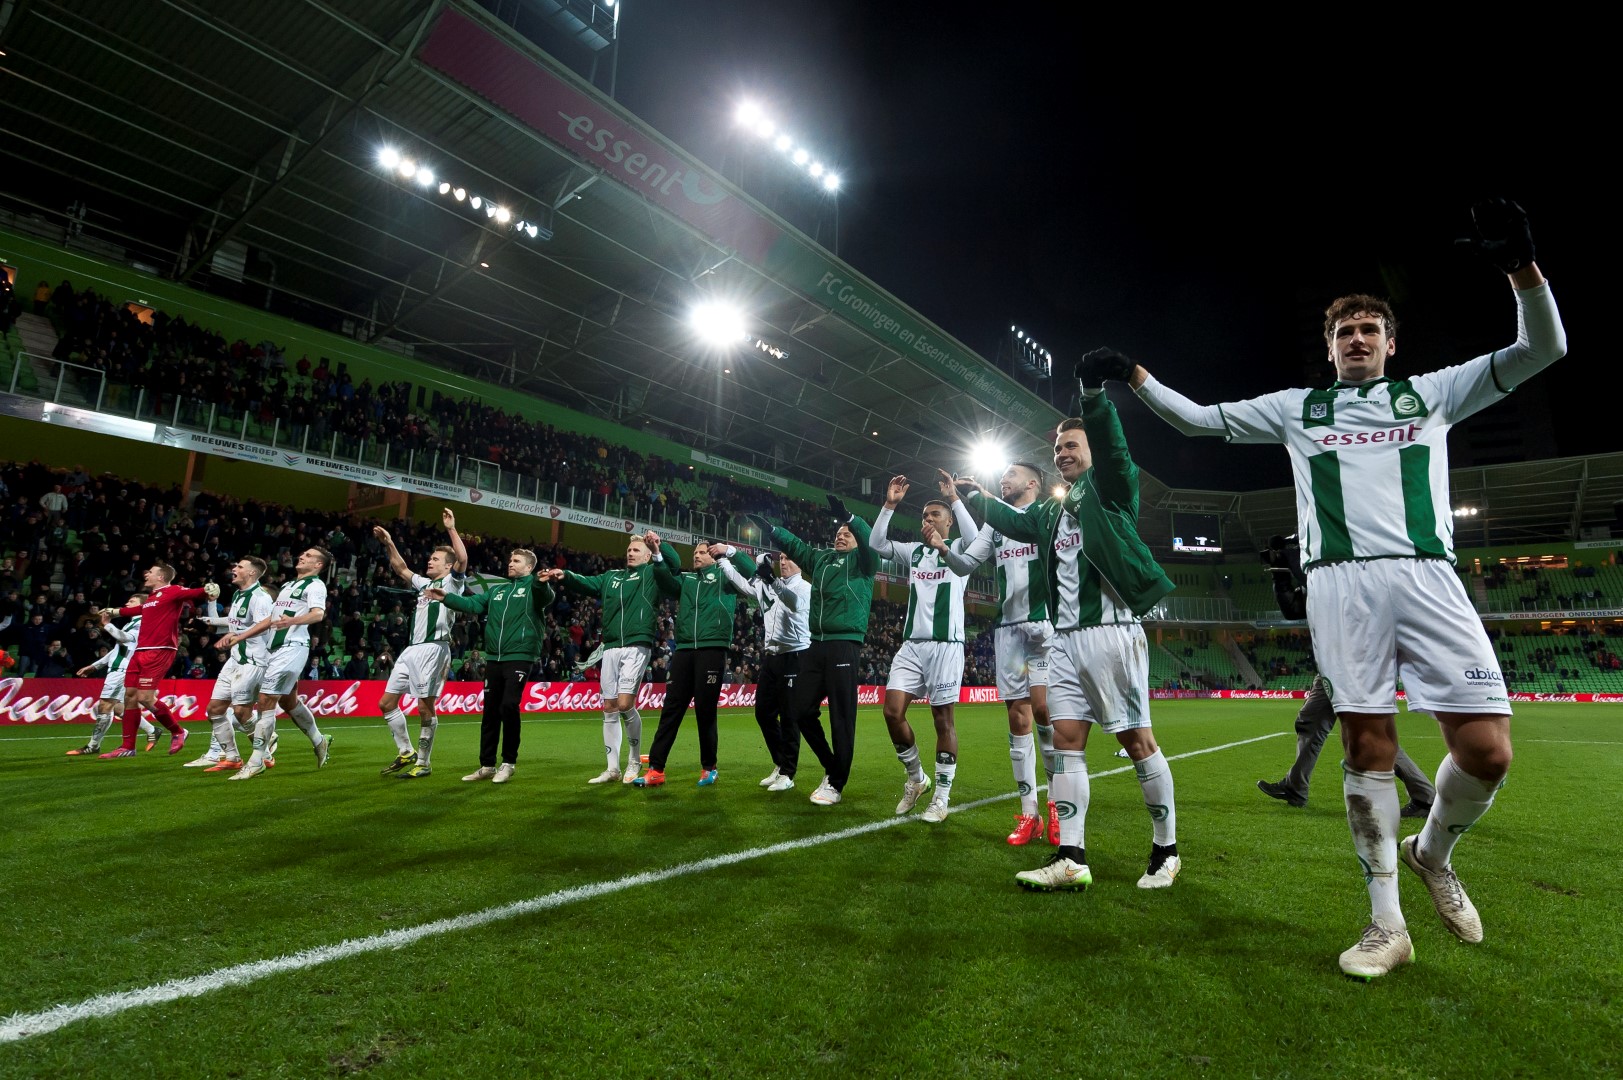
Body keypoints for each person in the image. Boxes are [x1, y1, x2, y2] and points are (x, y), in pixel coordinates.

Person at [1106, 198, 1567, 978]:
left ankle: (1431, 853)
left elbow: (1542, 348)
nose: (1356, 339)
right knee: (1365, 746)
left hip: (1427, 575)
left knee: (1487, 752)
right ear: (1328, 348)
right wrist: (1134, 375)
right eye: (1343, 331)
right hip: (1340, 586)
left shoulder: (1433, 393)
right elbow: (1195, 420)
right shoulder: (1298, 410)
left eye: (1368, 330)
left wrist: (1521, 269)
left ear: (1390, 343)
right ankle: (1385, 923)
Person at [958, 386, 1180, 892]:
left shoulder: (1113, 490)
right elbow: (1010, 521)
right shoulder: (1049, 513)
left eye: (1072, 445)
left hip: (1111, 634)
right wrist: (973, 496)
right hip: (1062, 641)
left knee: (1137, 741)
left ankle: (1166, 851)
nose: (1062, 453)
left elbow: (1117, 453)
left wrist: (1095, 400)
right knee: (1065, 743)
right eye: (1057, 448)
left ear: (1093, 449)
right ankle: (1071, 858)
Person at [944, 462, 1060, 845]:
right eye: (1002, 475)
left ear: (1032, 482)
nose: (1003, 478)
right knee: (1017, 716)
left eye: (1011, 473)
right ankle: (1030, 814)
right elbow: (965, 564)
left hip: (1043, 627)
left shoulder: (1045, 515)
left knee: (1044, 711)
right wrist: (943, 549)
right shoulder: (994, 525)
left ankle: (1058, 806)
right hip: (1008, 631)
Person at [744, 496, 879, 806]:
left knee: (841, 718)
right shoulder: (821, 559)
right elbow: (797, 547)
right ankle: (832, 767)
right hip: (815, 644)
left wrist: (851, 518)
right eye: (839, 532)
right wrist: (773, 530)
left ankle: (836, 783)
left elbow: (870, 544)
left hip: (844, 644)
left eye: (848, 533)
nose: (841, 535)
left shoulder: (864, 562)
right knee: (800, 710)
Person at [868, 475, 974, 823]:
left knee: (943, 720)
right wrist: (890, 505)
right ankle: (916, 778)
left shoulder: (960, 550)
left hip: (946, 646)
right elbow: (876, 543)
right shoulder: (914, 551)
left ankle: (941, 798)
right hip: (912, 646)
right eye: (924, 516)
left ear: (949, 521)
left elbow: (975, 538)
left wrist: (954, 497)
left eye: (934, 515)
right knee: (892, 712)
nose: (927, 519)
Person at [633, 540, 754, 787]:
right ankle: (656, 769)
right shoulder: (686, 580)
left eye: (702, 553)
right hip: (685, 649)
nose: (697, 556)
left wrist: (729, 551)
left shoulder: (725, 576)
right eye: (695, 553)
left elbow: (751, 571)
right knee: (671, 709)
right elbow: (666, 581)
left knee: (705, 711)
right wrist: (657, 553)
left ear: (713, 557)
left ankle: (709, 768)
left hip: (712, 648)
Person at [554, 531, 671, 785]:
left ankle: (634, 759)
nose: (630, 553)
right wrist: (566, 575)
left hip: (637, 644)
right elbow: (587, 583)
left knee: (625, 704)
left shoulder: (652, 574)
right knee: (609, 706)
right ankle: (612, 768)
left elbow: (670, 567)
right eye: (629, 550)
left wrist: (658, 549)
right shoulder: (611, 577)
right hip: (610, 646)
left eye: (636, 550)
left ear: (647, 556)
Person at [438, 549, 554, 784]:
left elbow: (546, 597)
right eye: (510, 559)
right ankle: (487, 765)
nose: (510, 563)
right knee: (490, 711)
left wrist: (541, 583)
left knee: (509, 705)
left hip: (519, 656)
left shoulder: (534, 588)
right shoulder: (497, 590)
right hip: (494, 658)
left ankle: (508, 763)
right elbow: (472, 604)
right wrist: (445, 597)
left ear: (529, 567)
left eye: (516, 561)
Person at [220, 547, 335, 779]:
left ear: (318, 565)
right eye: (303, 554)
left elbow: (317, 614)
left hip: (292, 648)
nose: (302, 556)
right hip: (273, 649)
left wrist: (292, 621)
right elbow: (270, 620)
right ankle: (319, 740)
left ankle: (257, 761)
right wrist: (240, 636)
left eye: (309, 556)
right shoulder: (289, 585)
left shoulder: (315, 585)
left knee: (265, 700)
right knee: (289, 701)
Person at [373, 509, 468, 780]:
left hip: (433, 648)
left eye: (435, 559)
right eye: (431, 557)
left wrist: (451, 528)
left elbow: (462, 559)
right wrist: (389, 543)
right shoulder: (425, 584)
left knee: (425, 706)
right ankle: (406, 752)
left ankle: (424, 763)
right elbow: (401, 568)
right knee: (386, 703)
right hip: (411, 649)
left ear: (447, 566)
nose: (430, 560)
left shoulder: (452, 583)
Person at [94, 563, 219, 758]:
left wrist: (209, 589)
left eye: (150, 572)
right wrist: (113, 611)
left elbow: (196, 593)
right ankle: (128, 747)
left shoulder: (173, 591)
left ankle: (178, 731)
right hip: (140, 651)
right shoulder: (152, 598)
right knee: (130, 697)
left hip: (160, 650)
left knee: (145, 697)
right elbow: (138, 610)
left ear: (161, 577)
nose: (146, 574)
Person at [716, 549, 811, 792]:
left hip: (794, 655)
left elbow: (794, 603)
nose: (784, 562)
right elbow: (742, 584)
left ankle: (788, 773)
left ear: (800, 564)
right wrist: (724, 561)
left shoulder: (805, 588)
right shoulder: (767, 585)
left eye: (789, 558)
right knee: (763, 713)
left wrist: (771, 580)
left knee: (789, 716)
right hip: (771, 657)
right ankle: (780, 764)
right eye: (781, 559)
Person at [67, 595, 158, 755]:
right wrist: (95, 666)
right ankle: (152, 730)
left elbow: (124, 638)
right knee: (117, 707)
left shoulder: (142, 624)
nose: (127, 603)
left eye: (132, 602)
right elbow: (118, 649)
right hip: (119, 669)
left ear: (142, 606)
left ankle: (93, 746)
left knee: (105, 706)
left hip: (122, 670)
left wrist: (107, 624)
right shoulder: (131, 623)